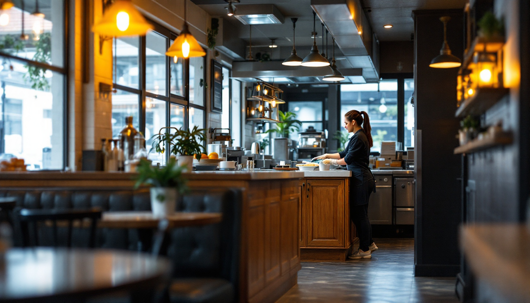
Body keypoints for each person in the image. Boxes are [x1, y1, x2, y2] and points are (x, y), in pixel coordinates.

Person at [313, 110, 377, 259]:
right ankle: (369, 243)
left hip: (361, 179)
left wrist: (331, 162)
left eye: (346, 123)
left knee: (359, 215)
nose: (344, 126)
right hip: (361, 178)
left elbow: (346, 160)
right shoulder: (357, 136)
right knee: (361, 215)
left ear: (353, 122)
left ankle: (365, 249)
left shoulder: (359, 137)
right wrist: (327, 155)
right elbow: (344, 153)